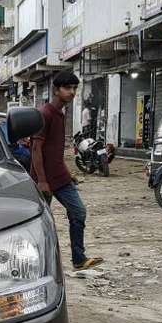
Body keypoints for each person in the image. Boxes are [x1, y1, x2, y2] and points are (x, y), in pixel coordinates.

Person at [31, 71, 103, 271]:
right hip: (43, 179)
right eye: (67, 88)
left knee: (78, 211)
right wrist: (42, 181)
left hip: (59, 177)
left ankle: (78, 259)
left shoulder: (61, 114)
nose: (72, 92)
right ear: (56, 90)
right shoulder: (44, 114)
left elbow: (54, 152)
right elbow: (36, 150)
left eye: (74, 88)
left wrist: (67, 172)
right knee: (41, 224)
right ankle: (39, 266)